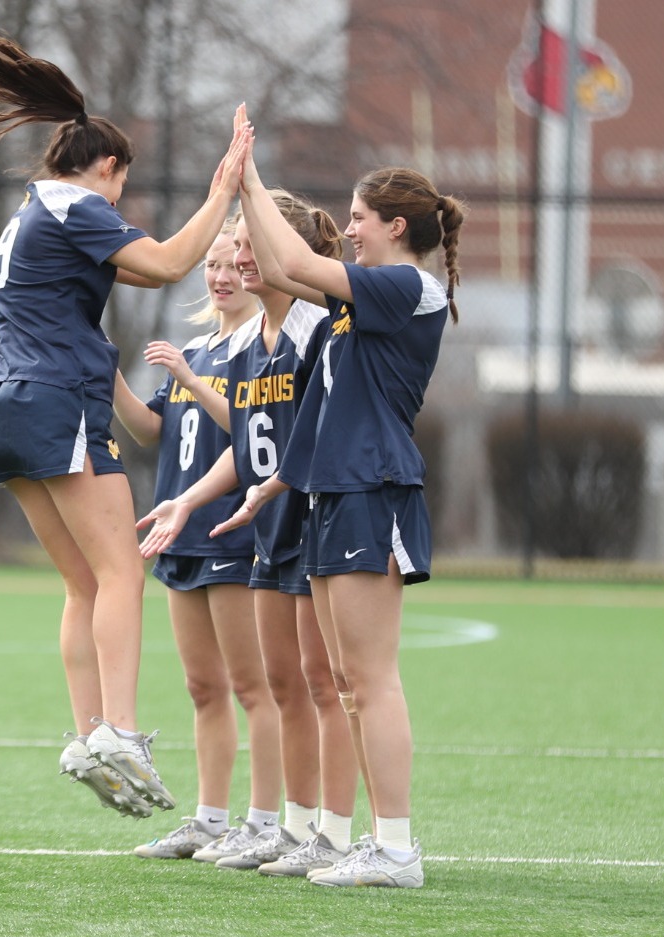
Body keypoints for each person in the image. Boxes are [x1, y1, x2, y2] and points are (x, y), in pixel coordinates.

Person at [0, 20, 250, 816]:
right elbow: (169, 265)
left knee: (82, 583)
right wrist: (225, 190)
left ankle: (88, 737)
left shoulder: (25, 217)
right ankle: (118, 728)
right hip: (52, 402)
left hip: (4, 405)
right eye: (123, 184)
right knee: (121, 574)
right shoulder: (77, 207)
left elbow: (71, 329)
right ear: (107, 168)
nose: (120, 203)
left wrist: (140, 395)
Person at [215, 115, 465, 888]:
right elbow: (285, 271)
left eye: (358, 218)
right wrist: (245, 190)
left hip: (372, 490)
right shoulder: (371, 295)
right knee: (348, 684)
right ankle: (371, 841)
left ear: (396, 225)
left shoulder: (407, 286)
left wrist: (248, 176)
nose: (349, 230)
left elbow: (291, 258)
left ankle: (396, 849)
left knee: (370, 678)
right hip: (335, 492)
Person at [137, 190, 358, 875]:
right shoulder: (253, 344)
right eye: (230, 255)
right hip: (265, 526)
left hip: (312, 521)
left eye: (248, 250)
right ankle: (288, 829)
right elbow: (254, 442)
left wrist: (247, 179)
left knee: (327, 686)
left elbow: (299, 436)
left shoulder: (313, 327)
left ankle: (338, 832)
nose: (236, 264)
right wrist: (186, 501)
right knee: (290, 687)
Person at [111, 227, 280, 858]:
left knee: (253, 686)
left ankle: (264, 824)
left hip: (230, 531)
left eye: (234, 263)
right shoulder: (200, 344)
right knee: (202, 687)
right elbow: (154, 431)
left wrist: (186, 372)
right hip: (179, 537)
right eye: (210, 265)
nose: (221, 275)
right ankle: (210, 821)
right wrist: (106, 380)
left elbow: (246, 425)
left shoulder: (259, 346)